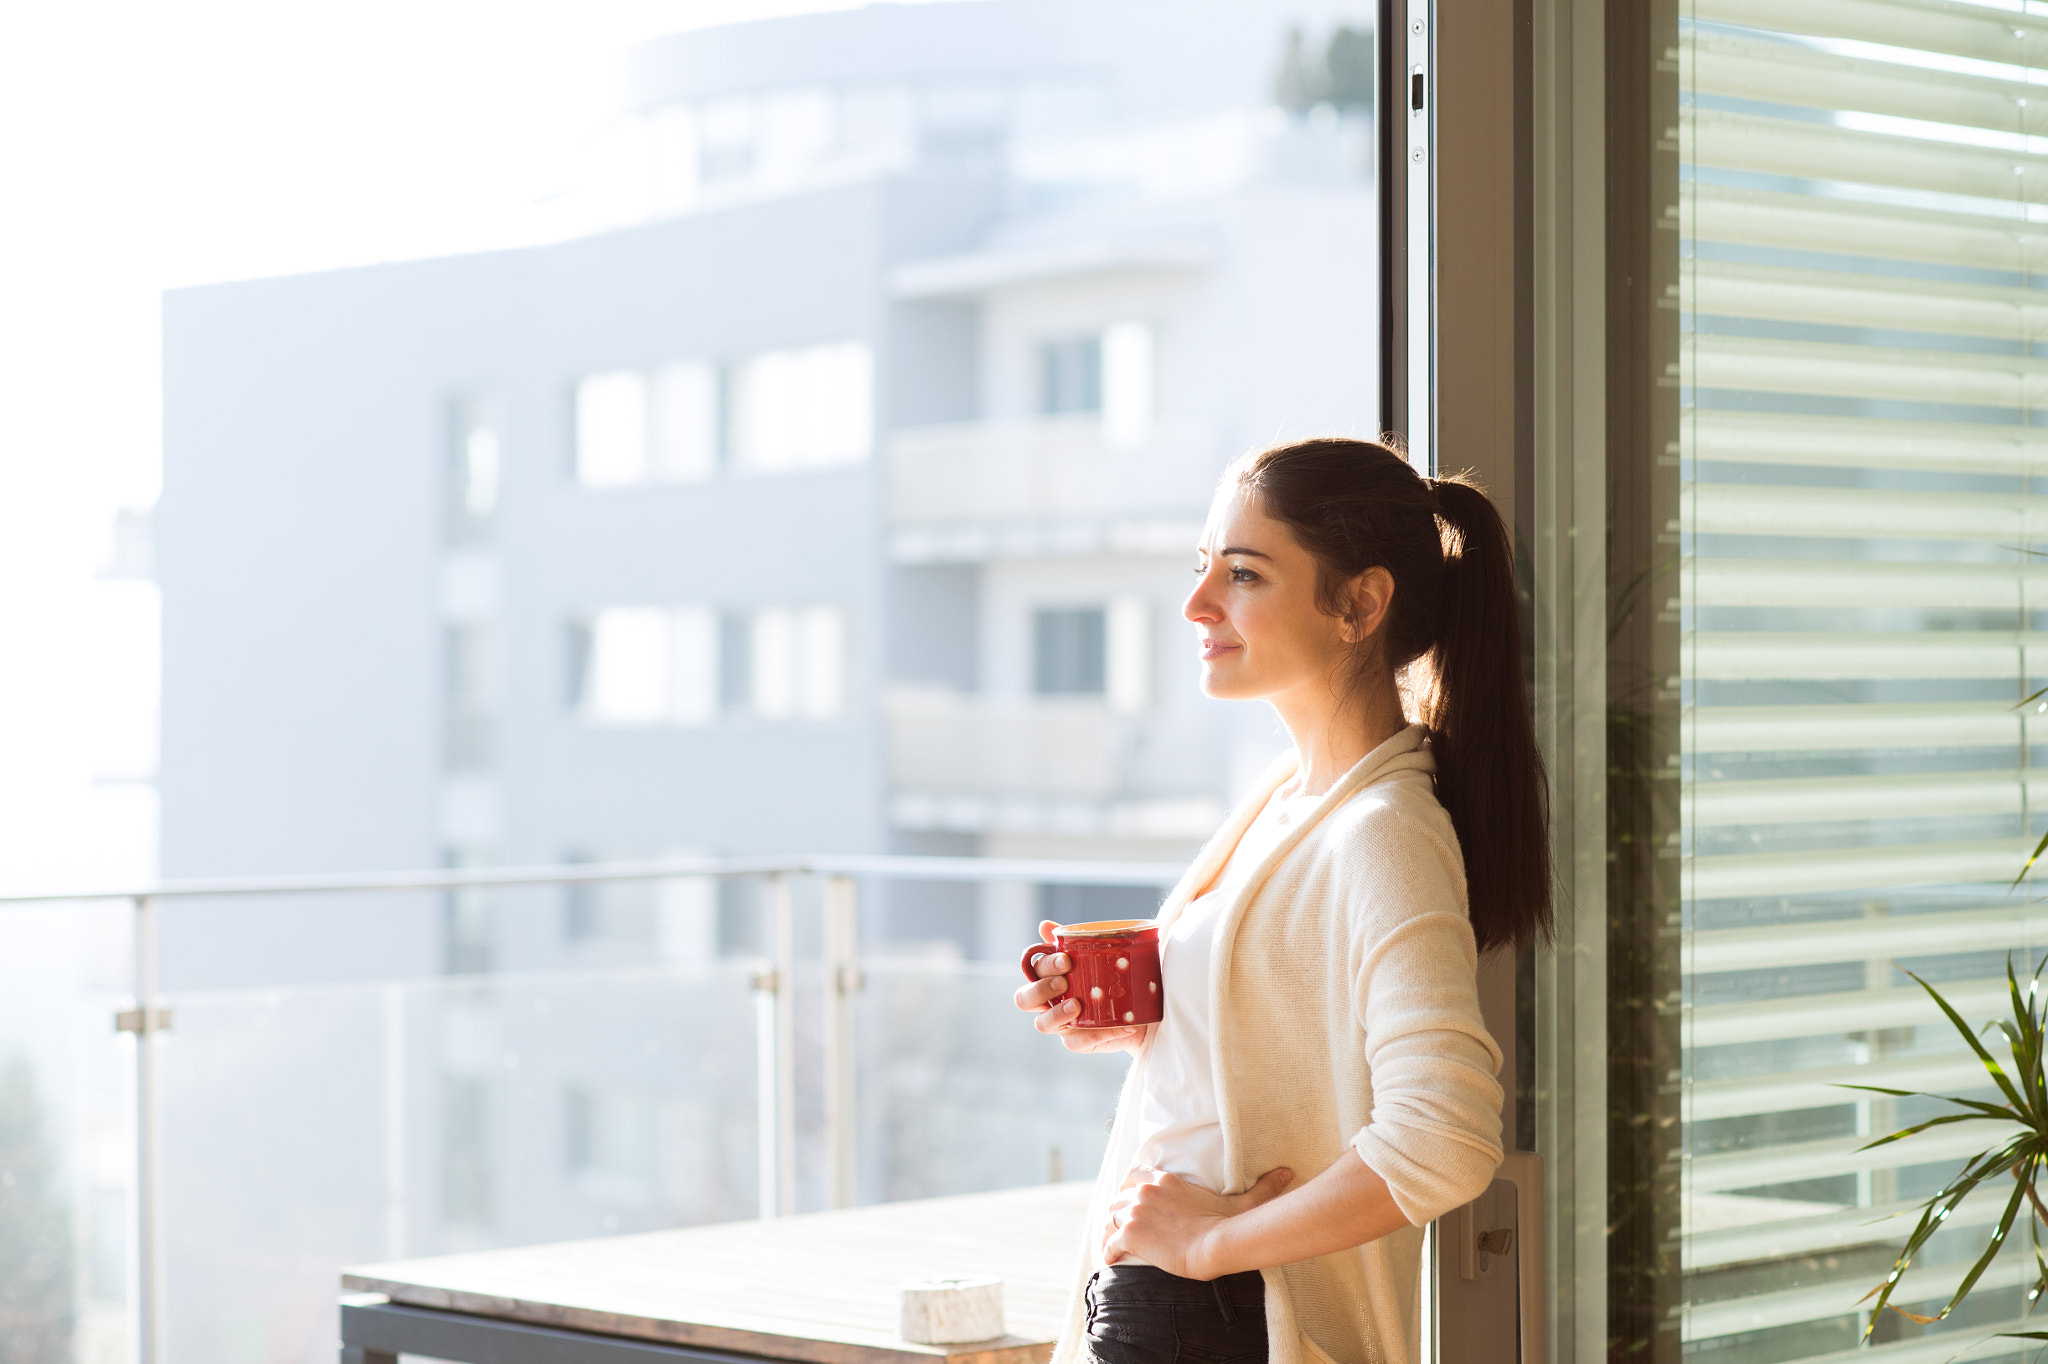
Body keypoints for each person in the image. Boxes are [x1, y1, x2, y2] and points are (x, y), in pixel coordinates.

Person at [1013, 437, 1552, 1364]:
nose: (1196, 603)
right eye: (1201, 568)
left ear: (1360, 604)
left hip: (1219, 1316)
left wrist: (1208, 1241)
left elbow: (1445, 1140)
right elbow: (1284, 1034)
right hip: (1175, 1300)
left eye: (1245, 574)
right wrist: (1149, 1017)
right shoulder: (1290, 799)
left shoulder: (1382, 830)